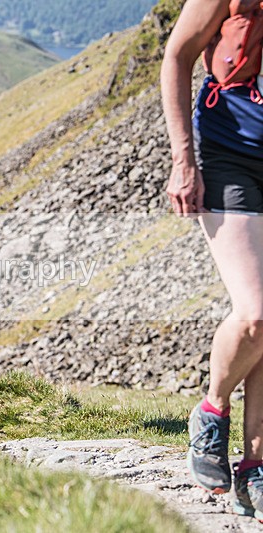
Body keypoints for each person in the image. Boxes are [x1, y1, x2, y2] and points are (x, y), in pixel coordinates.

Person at [161, 0, 263, 519]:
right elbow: (177, 56)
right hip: (229, 155)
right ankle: (211, 410)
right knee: (256, 312)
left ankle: (254, 467)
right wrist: (185, 161)